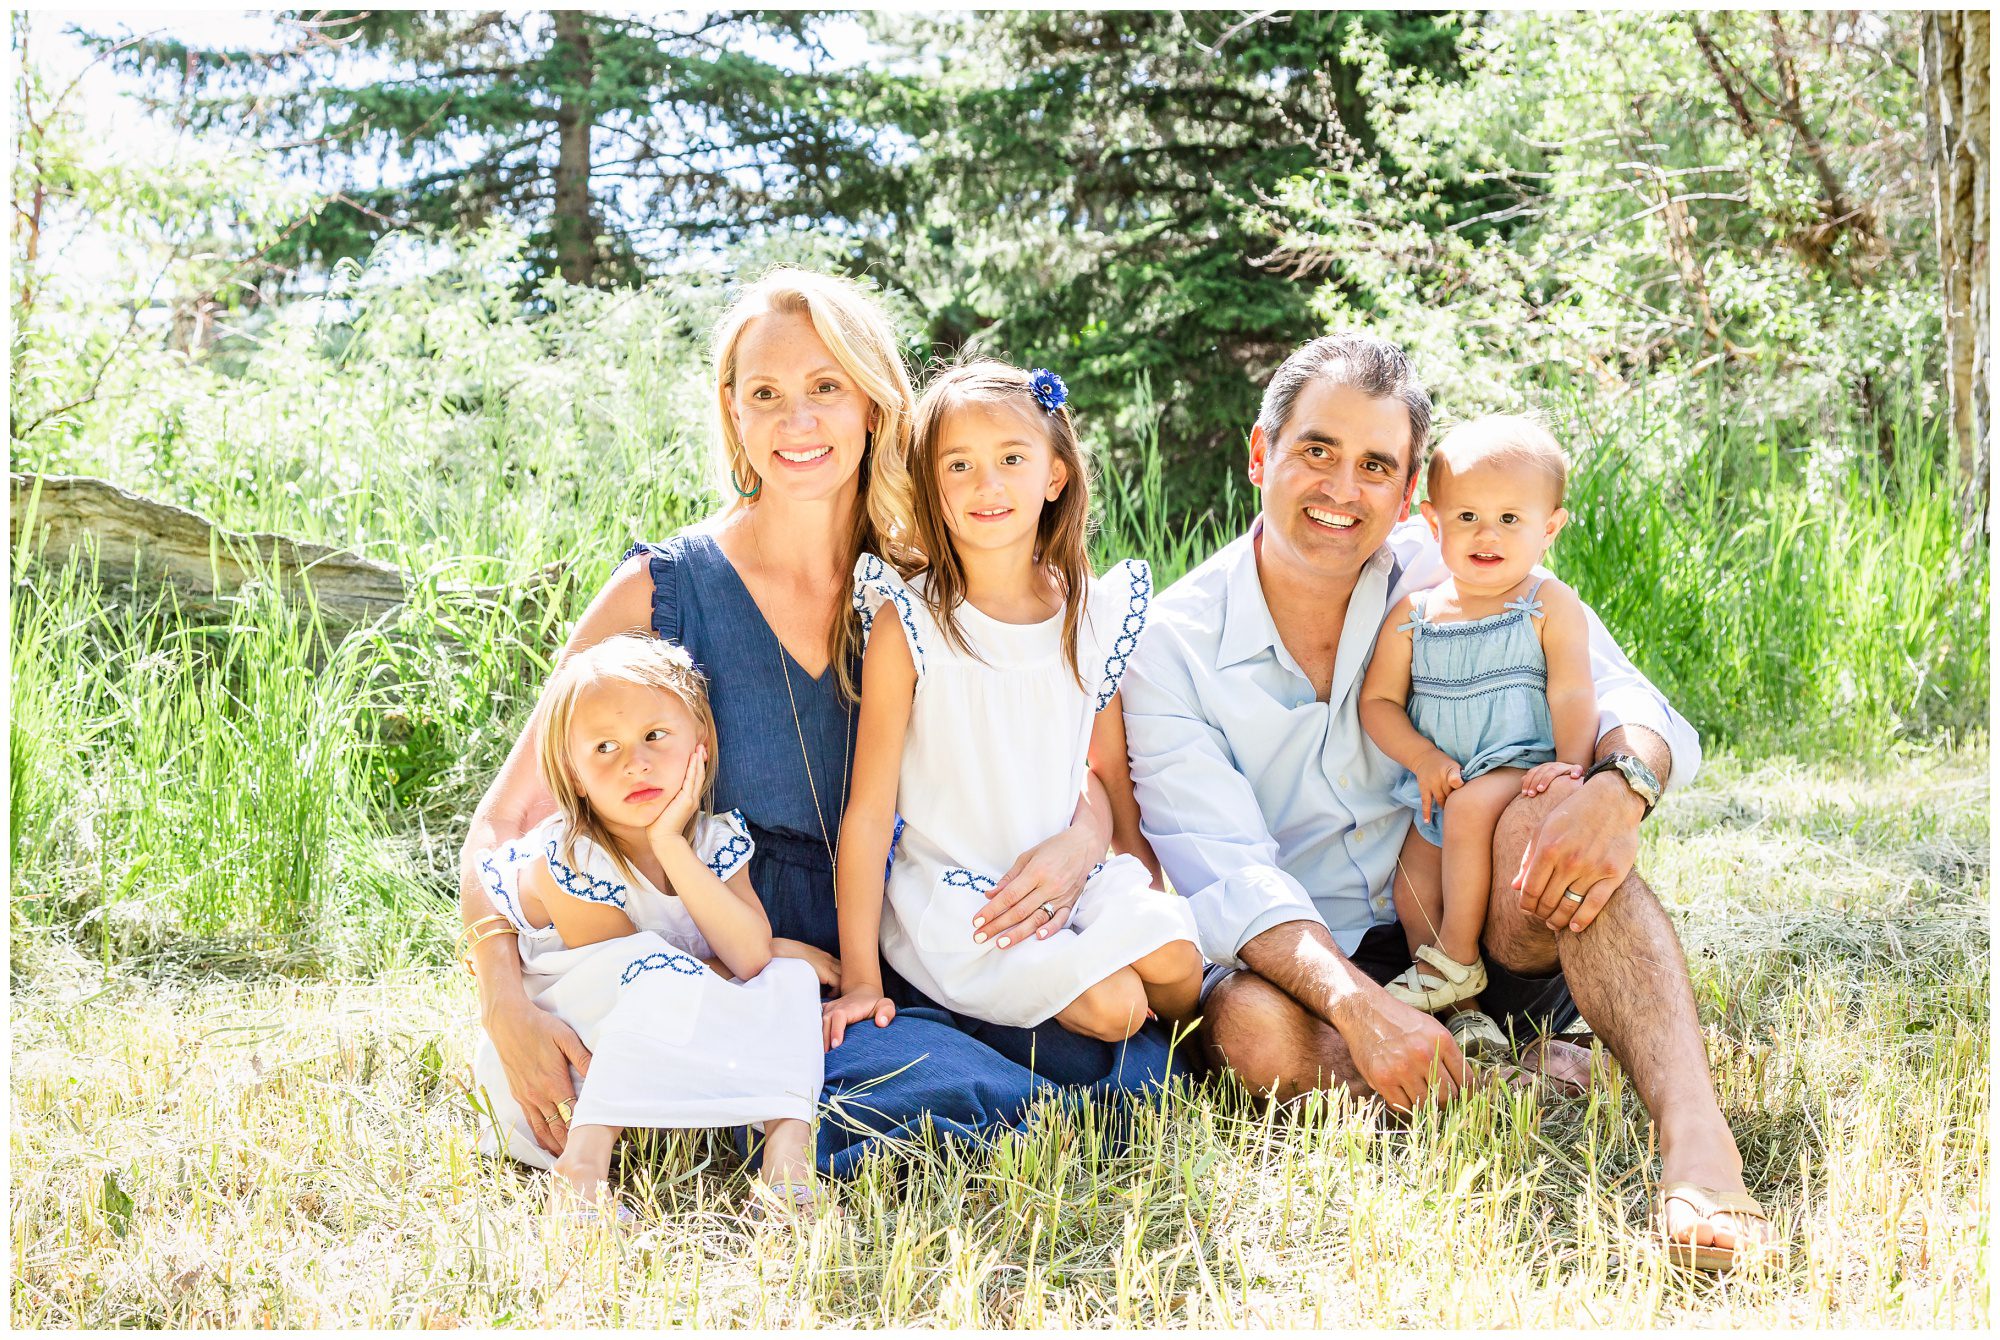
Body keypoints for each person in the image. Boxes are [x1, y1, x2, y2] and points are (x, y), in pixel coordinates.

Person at [458, 267, 1179, 1188]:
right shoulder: (658, 591)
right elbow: (506, 823)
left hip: (913, 936)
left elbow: (1056, 751)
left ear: (875, 404)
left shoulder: (928, 588)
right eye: (767, 395)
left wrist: (1084, 842)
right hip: (744, 957)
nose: (798, 422)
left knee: (1129, 1063)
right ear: (734, 416)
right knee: (902, 1102)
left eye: (826, 388)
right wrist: (504, 1003)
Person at [1122, 332, 1777, 1271]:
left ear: (1406, 497)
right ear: (1260, 454)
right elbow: (1220, 868)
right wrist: (1355, 1006)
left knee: (1549, 817)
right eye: (1317, 450)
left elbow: (1631, 699)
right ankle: (1509, 1081)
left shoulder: (1452, 562)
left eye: (1376, 466)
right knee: (1249, 1034)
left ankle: (1697, 1146)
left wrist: (1617, 787)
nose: (1343, 490)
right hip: (1312, 959)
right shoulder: (1168, 644)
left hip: (1470, 917)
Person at [828, 360, 1204, 1047]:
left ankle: (1160, 1043)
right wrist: (861, 977)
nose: (987, 484)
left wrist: (1132, 888)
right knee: (1118, 1004)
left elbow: (1105, 772)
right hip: (964, 894)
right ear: (930, 486)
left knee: (1178, 962)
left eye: (1011, 458)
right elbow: (871, 809)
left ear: (1054, 475)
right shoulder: (910, 622)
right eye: (959, 466)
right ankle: (1049, 1002)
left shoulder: (1087, 610)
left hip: (1071, 869)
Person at [468, 635, 824, 1218]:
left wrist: (669, 843)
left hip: (662, 1055)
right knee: (651, 972)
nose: (635, 762)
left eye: (655, 737)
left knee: (790, 981)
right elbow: (633, 979)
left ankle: (786, 1159)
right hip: (571, 1072)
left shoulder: (712, 841)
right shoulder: (569, 858)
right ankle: (581, 1170)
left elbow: (753, 959)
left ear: (700, 747)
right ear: (575, 775)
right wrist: (760, 951)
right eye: (604, 748)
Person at [1357, 415, 1596, 1061]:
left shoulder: (1547, 603)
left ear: (1549, 527)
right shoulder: (1417, 615)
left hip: (1520, 767)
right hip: (1444, 780)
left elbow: (1572, 692)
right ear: (1434, 523)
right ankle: (1463, 1013)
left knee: (1465, 812)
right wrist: (1423, 757)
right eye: (1466, 517)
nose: (1486, 534)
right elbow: (1377, 703)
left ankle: (1457, 962)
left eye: (1510, 520)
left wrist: (1572, 767)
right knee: (1411, 886)